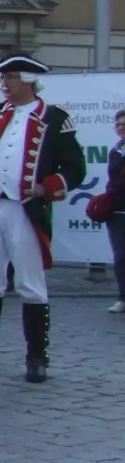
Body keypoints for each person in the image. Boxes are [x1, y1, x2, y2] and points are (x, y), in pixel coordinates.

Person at [0, 55, 85, 383]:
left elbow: (75, 167)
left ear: (28, 79)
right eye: (1, 77)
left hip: (24, 208)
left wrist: (46, 187)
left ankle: (37, 357)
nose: (3, 83)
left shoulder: (54, 118)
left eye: (10, 76)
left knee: (30, 283)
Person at [106, 110, 125, 314]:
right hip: (118, 212)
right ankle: (123, 298)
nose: (121, 128)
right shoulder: (115, 152)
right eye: (118, 124)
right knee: (121, 258)